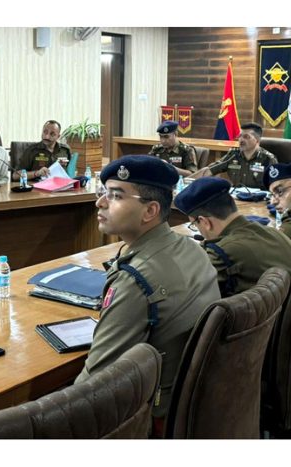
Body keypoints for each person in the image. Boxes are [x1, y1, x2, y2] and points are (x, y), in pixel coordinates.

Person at [75, 155, 220, 431]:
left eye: (115, 196)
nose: (100, 203)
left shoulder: (135, 280)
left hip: (151, 418)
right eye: (103, 192)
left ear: (150, 211)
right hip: (195, 406)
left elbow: (94, 385)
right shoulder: (193, 248)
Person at [174, 176, 291, 297]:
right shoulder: (276, 234)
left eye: (195, 224)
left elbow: (188, 292)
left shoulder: (222, 252)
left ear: (205, 222)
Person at [195, 122, 277, 189]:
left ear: (257, 140)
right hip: (236, 198)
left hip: (259, 202)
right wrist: (186, 182)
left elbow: (277, 184)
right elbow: (209, 170)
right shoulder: (233, 155)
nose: (241, 140)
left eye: (246, 137)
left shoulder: (268, 159)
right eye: (240, 136)